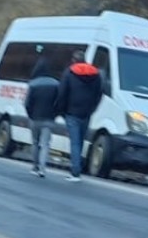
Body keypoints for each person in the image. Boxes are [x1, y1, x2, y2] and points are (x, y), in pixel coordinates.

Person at [53, 49, 104, 182]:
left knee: (74, 142)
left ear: (74, 60)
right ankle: (77, 167)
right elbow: (99, 94)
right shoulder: (96, 74)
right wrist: (92, 109)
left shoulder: (69, 73)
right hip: (86, 113)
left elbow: (62, 92)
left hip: (72, 112)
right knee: (80, 141)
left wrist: (60, 110)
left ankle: (75, 172)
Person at [25, 58, 61, 178]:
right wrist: (55, 114)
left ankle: (34, 166)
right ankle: (43, 169)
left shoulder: (33, 84)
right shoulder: (56, 84)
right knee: (45, 144)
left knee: (35, 143)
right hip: (49, 119)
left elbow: (27, 103)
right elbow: (59, 102)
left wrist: (30, 115)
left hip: (35, 118)